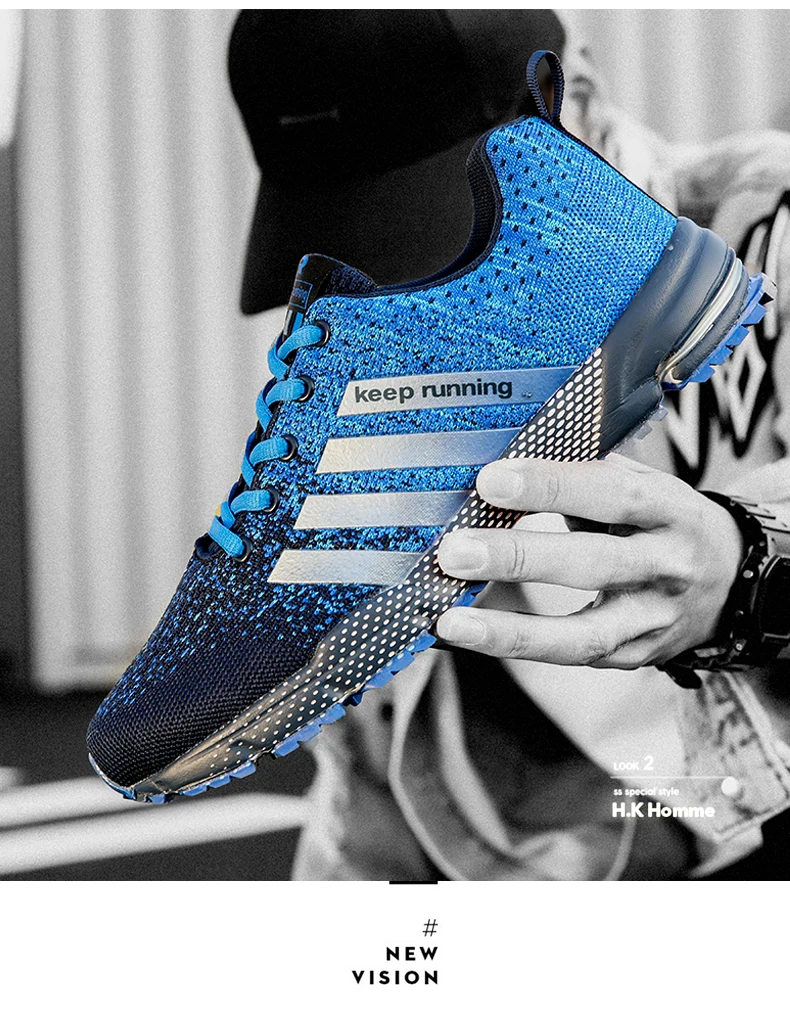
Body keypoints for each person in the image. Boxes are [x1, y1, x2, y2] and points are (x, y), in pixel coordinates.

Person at [228, 11, 790, 880]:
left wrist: (750, 569)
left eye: (444, 225)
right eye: (366, 245)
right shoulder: (371, 364)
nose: (402, 290)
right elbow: (373, 769)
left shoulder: (768, 222)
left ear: (581, 102)